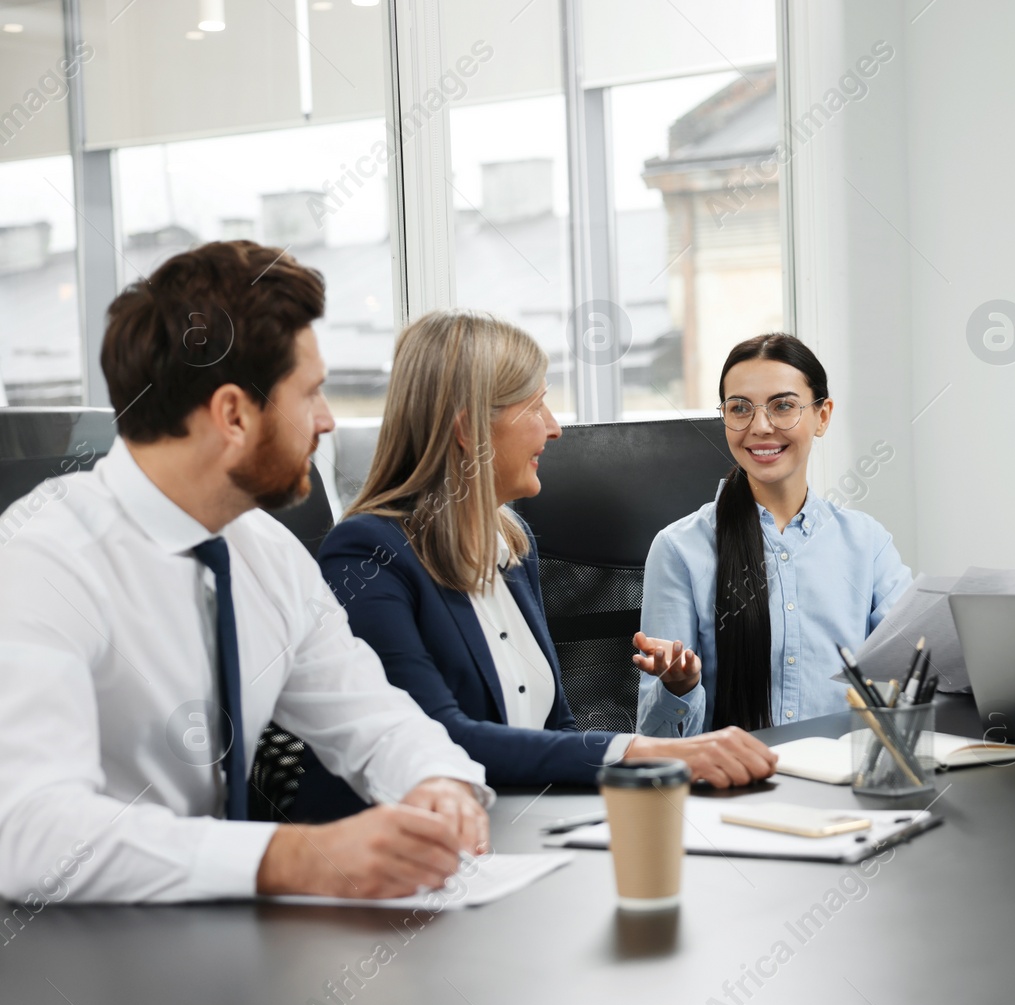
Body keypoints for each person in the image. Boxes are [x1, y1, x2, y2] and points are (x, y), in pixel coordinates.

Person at [0, 242, 490, 904]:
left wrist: (438, 784)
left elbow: (376, 721)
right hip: (66, 964)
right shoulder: (39, 560)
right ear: (233, 414)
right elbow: (31, 832)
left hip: (218, 951)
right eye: (311, 392)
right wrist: (295, 855)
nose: (326, 420)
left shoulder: (266, 551)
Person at [294, 310, 777, 819]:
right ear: (469, 430)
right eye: (536, 406)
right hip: (406, 854)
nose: (554, 429)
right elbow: (442, 738)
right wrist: (646, 752)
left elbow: (557, 729)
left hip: (527, 826)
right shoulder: (371, 552)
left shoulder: (513, 546)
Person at [634, 333, 913, 736]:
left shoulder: (867, 544)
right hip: (733, 787)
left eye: (783, 406)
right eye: (740, 408)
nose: (761, 427)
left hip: (843, 782)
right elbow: (656, 742)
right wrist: (680, 688)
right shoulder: (679, 550)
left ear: (823, 415)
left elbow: (910, 677)